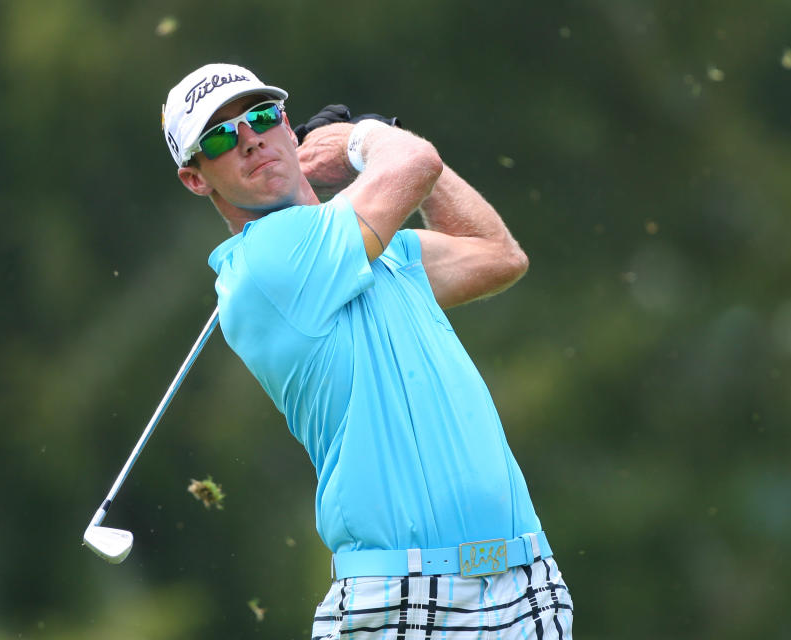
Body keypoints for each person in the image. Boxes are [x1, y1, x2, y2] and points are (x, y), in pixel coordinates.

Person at [161, 62, 573, 639]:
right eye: (222, 138)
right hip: (401, 600)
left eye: (261, 116)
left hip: (524, 578)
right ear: (197, 179)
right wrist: (367, 139)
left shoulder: (380, 251)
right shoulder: (263, 264)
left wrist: (390, 149)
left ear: (285, 125)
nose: (250, 138)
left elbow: (497, 254)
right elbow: (414, 164)